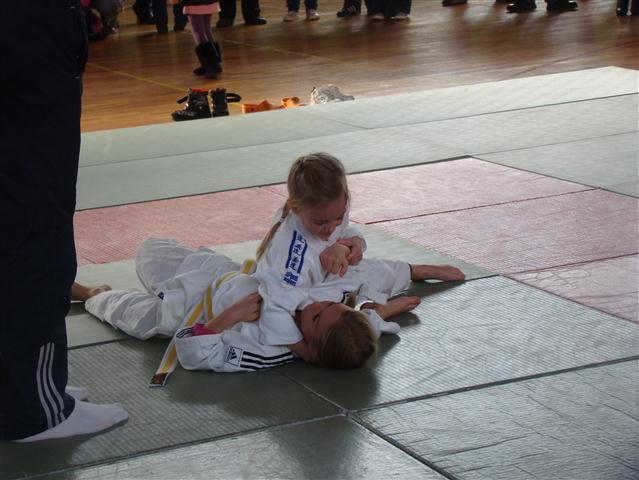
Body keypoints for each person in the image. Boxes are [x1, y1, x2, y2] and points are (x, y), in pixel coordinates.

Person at [0, 1, 128, 443]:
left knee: (18, 209)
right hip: (30, 27)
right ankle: (36, 410)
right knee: (38, 223)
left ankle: (20, 390)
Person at [82, 238, 452, 371]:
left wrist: (231, 316)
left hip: (183, 314)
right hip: (216, 274)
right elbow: (359, 282)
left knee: (128, 313)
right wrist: (411, 273)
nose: (315, 307)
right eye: (328, 306)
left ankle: (89, 292)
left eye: (316, 318)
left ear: (308, 351)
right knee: (148, 248)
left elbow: (194, 354)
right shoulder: (335, 319)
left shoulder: (268, 350)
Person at [254, 153, 464, 361]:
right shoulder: (292, 258)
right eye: (321, 223)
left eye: (338, 218)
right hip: (302, 303)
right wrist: (307, 353)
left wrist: (347, 246)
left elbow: (347, 234)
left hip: (327, 283)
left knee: (365, 270)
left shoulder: (328, 209)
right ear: (295, 207)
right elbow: (274, 311)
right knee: (340, 335)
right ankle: (376, 315)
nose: (330, 228)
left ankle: (413, 271)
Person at [183, 0, 224, 79]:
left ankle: (211, 64)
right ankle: (213, 63)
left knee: (198, 32)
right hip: (209, 2)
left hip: (195, 4)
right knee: (206, 30)